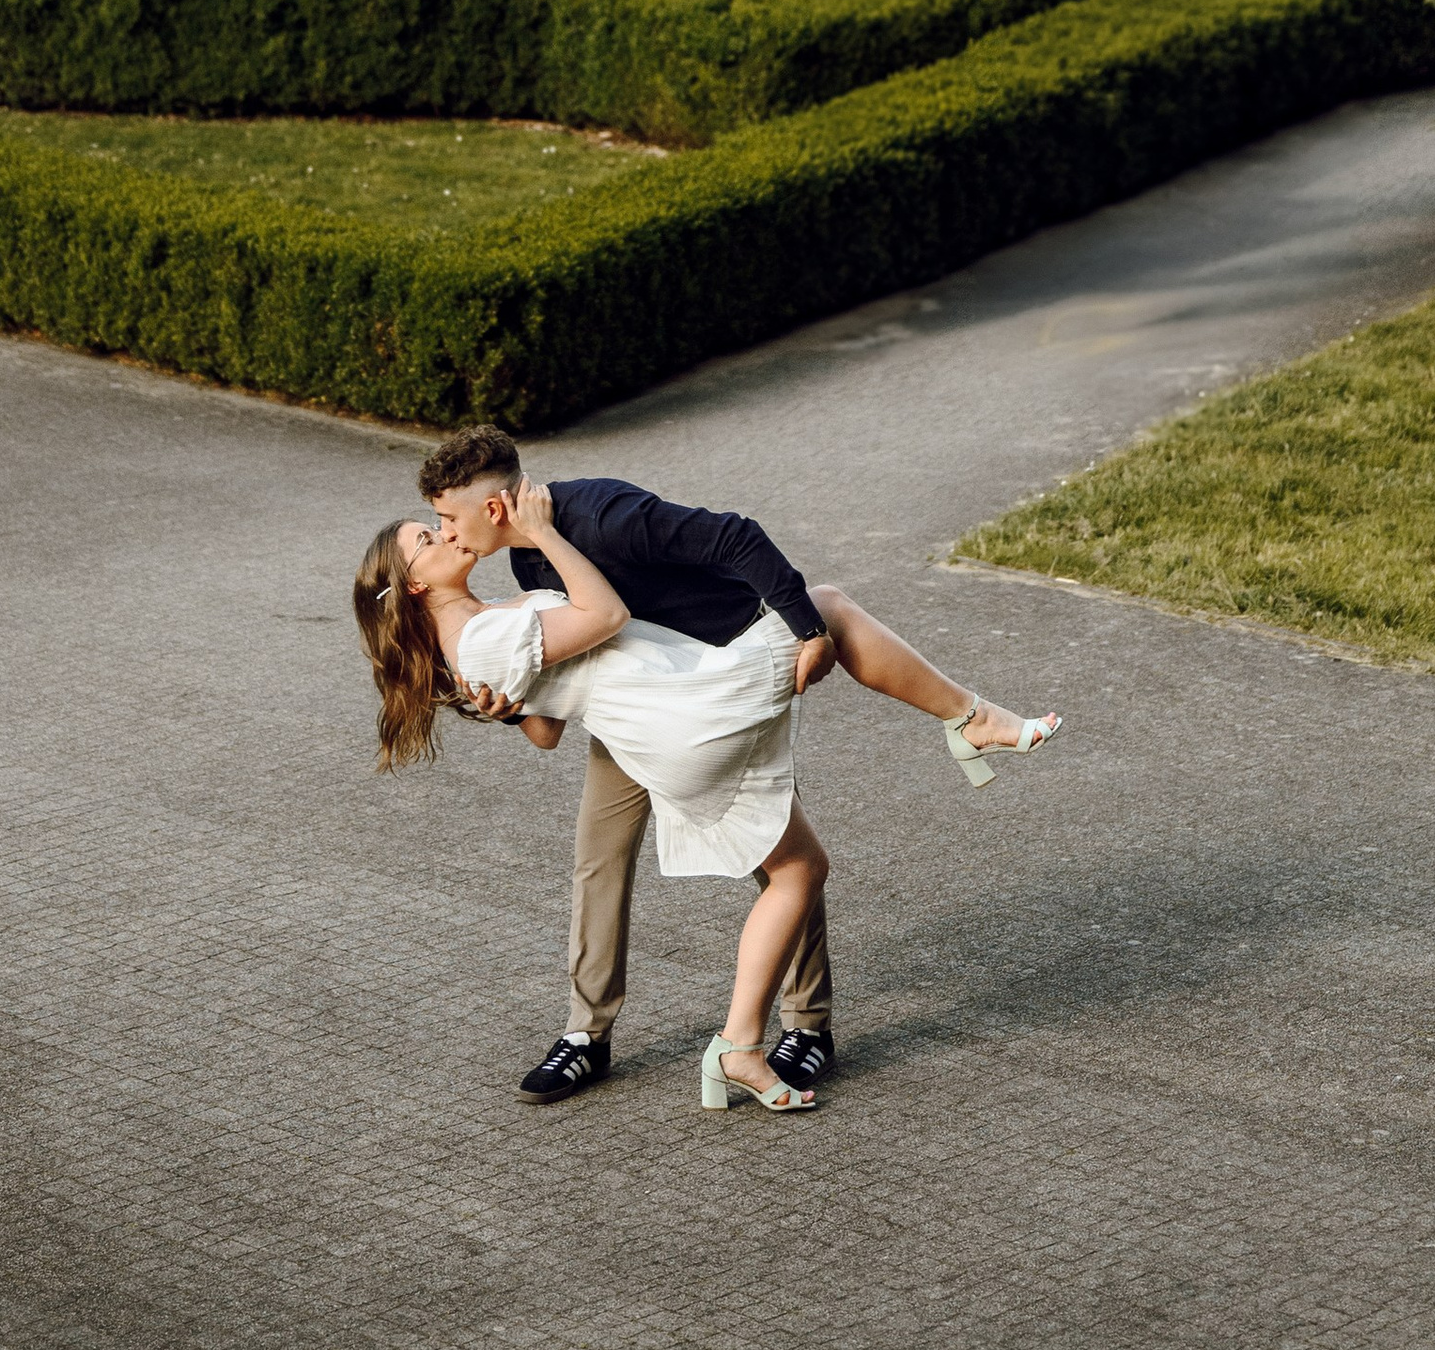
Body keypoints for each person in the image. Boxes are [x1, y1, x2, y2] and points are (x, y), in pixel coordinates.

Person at [354, 455, 1059, 1116]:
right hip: (653, 717)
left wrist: (516, 688)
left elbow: (725, 544)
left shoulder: (596, 519)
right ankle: (591, 1036)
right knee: (614, 863)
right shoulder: (522, 563)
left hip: (683, 690)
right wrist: (510, 704)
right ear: (418, 580)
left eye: (444, 518)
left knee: (785, 859)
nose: (446, 531)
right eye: (433, 530)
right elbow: (548, 711)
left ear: (496, 504)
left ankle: (801, 1027)